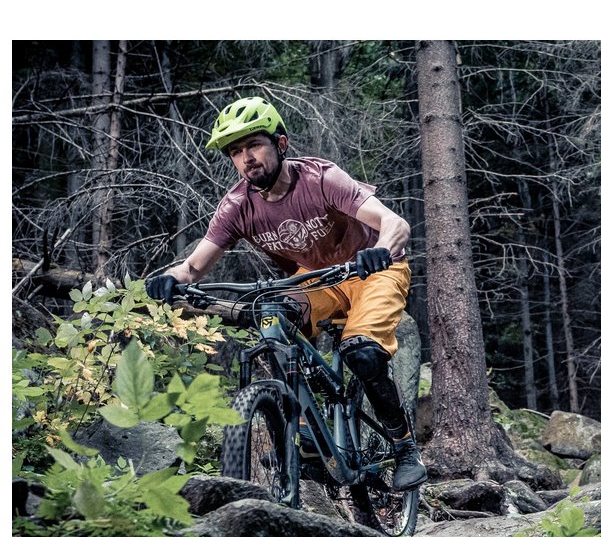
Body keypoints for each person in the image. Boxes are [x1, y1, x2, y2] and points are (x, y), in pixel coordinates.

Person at [146, 96, 426, 491]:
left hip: (373, 269)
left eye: (254, 145)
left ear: (280, 144)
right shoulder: (237, 206)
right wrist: (168, 278)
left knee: (362, 352)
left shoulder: (321, 178)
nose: (247, 159)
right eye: (236, 152)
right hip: (316, 279)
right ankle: (307, 433)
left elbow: (393, 222)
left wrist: (380, 248)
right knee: (274, 320)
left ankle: (404, 447)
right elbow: (192, 267)